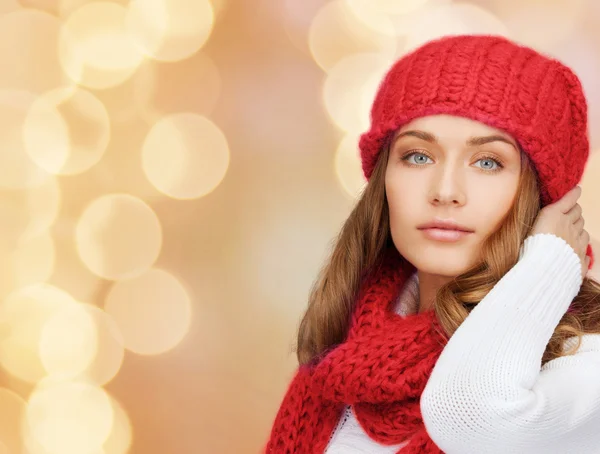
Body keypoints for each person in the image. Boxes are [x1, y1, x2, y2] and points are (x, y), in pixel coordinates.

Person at [263, 34, 600, 454]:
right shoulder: (342, 363)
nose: (445, 190)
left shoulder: (584, 365)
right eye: (418, 156)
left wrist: (547, 265)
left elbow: (474, 419)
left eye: (488, 162)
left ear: (546, 199)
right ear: (384, 177)